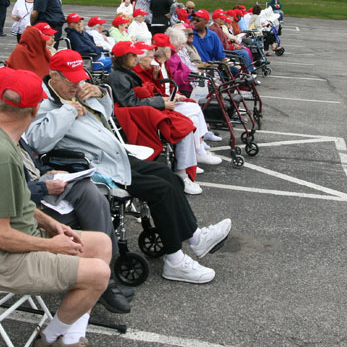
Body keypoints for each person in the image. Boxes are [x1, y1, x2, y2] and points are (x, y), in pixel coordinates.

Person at [25, 56, 232, 284]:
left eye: (79, 80)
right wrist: (68, 111)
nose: (77, 85)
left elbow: (106, 116)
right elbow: (38, 142)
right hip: (94, 167)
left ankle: (195, 238)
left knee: (170, 177)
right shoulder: (45, 104)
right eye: (71, 81)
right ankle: (175, 260)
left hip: (114, 156)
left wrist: (100, 95)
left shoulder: (74, 93)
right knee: (160, 189)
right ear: (54, 77)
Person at [0, 65, 132, 314]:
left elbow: (19, 198)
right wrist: (52, 246)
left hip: (14, 240)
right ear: (36, 110)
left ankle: (72, 327)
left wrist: (50, 224)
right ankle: (54, 339)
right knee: (98, 273)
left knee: (101, 243)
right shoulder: (0, 154)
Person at [107, 42, 205, 195]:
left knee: (186, 122)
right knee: (183, 127)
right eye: (132, 55)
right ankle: (182, 174)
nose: (136, 57)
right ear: (123, 58)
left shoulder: (124, 72)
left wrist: (161, 100)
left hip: (145, 110)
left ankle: (186, 166)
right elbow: (130, 103)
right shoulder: (118, 77)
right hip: (138, 114)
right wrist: (161, 102)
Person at [137, 40, 222, 161]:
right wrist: (168, 94)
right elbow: (153, 91)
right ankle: (193, 154)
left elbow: (168, 83)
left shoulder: (162, 64)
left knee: (195, 110)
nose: (171, 51)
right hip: (160, 105)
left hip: (167, 99)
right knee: (192, 116)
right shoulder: (152, 67)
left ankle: (198, 148)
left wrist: (175, 94)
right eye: (168, 49)